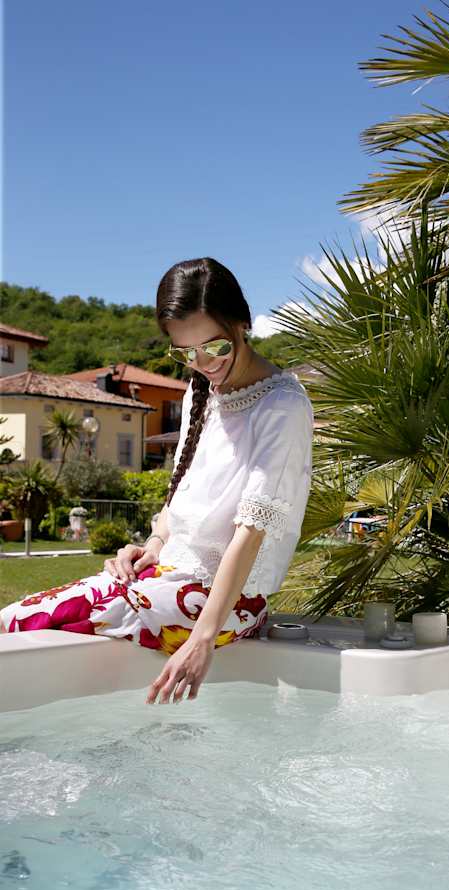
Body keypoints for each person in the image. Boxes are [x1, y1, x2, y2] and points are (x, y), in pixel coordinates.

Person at [0, 257, 314, 706]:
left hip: (227, 605)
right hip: (168, 577)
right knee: (13, 618)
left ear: (243, 323)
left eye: (215, 347)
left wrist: (202, 639)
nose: (203, 363)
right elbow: (182, 490)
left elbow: (251, 532)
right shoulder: (200, 393)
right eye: (185, 353)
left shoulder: (281, 405)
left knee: (24, 623)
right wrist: (152, 544)